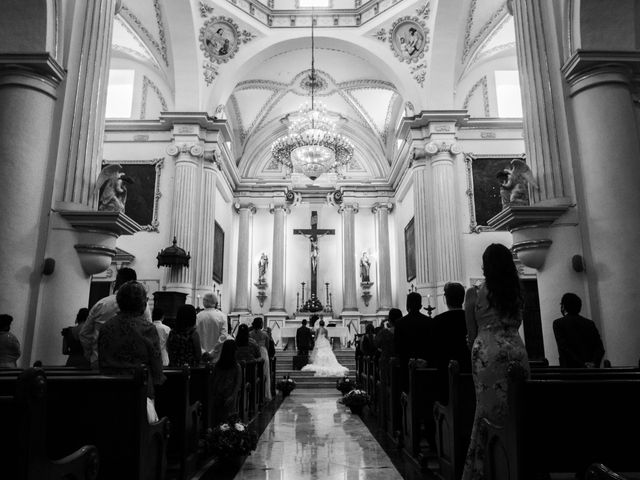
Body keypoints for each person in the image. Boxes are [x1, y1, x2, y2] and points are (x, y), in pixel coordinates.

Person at [462, 243, 530, 479]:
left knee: (486, 412)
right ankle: (516, 467)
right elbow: (518, 323)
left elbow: (471, 334)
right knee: (516, 409)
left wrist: (480, 348)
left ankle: (487, 468)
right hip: (517, 352)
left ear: (485, 264)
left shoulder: (474, 293)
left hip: (487, 355)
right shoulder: (517, 292)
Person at [98, 281, 165, 417]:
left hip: (109, 391)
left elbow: (101, 359)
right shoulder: (147, 328)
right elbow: (157, 366)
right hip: (140, 392)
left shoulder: (106, 327)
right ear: (142, 303)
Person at [80, 267, 149, 367]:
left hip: (101, 361)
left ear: (118, 282)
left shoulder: (102, 304)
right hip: (130, 364)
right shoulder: (143, 307)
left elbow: (84, 333)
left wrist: (91, 355)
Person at [432, 282, 472, 404]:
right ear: (462, 298)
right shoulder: (470, 318)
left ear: (446, 299)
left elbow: (434, 350)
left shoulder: (438, 321)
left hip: (444, 377)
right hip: (468, 374)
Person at [394, 292, 436, 391]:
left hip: (405, 368)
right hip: (425, 368)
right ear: (421, 306)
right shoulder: (429, 322)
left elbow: (397, 348)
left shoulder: (400, 323)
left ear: (407, 306)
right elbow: (432, 346)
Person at [553, 293, 605, 368]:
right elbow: (600, 348)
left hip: (570, 371)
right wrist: (594, 363)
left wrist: (582, 364)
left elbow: (564, 348)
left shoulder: (558, 323)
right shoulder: (590, 323)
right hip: (592, 373)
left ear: (563, 306)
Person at [211, 339, 242, 424]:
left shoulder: (219, 365)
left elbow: (237, 383)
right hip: (223, 396)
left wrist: (232, 396)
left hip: (225, 395)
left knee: (223, 419)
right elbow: (237, 383)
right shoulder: (235, 366)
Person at [195, 293, 227, 362]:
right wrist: (213, 352)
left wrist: (203, 352)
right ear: (215, 303)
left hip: (201, 356)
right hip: (217, 356)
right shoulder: (222, 316)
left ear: (204, 302)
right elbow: (223, 336)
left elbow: (195, 336)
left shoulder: (198, 316)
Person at [375, 308, 402, 383]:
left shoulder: (384, 333)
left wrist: (381, 327)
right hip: (401, 363)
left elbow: (376, 344)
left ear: (389, 320)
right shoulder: (404, 331)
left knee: (387, 386)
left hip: (386, 363)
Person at [249, 317, 272, 401]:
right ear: (261, 324)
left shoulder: (250, 334)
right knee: (265, 374)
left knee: (254, 374)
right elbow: (267, 346)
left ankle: (254, 395)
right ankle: (265, 394)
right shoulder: (265, 334)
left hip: (253, 354)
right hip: (263, 353)